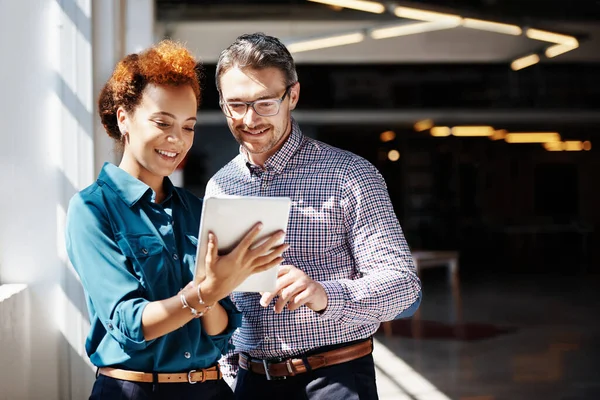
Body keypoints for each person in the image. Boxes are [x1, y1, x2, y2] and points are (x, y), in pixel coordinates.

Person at [65, 40, 288, 400]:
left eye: (188, 126)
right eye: (162, 122)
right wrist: (207, 290)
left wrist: (222, 285)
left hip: (211, 390)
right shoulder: (92, 210)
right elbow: (130, 324)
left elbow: (219, 331)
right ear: (124, 118)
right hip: (133, 391)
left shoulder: (197, 209)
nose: (177, 140)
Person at [205, 33, 422, 400]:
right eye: (236, 105)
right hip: (250, 383)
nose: (249, 119)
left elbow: (404, 287)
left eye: (265, 103)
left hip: (333, 379)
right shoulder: (220, 186)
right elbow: (225, 297)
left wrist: (325, 295)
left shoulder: (349, 174)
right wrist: (230, 372)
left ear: (293, 95)